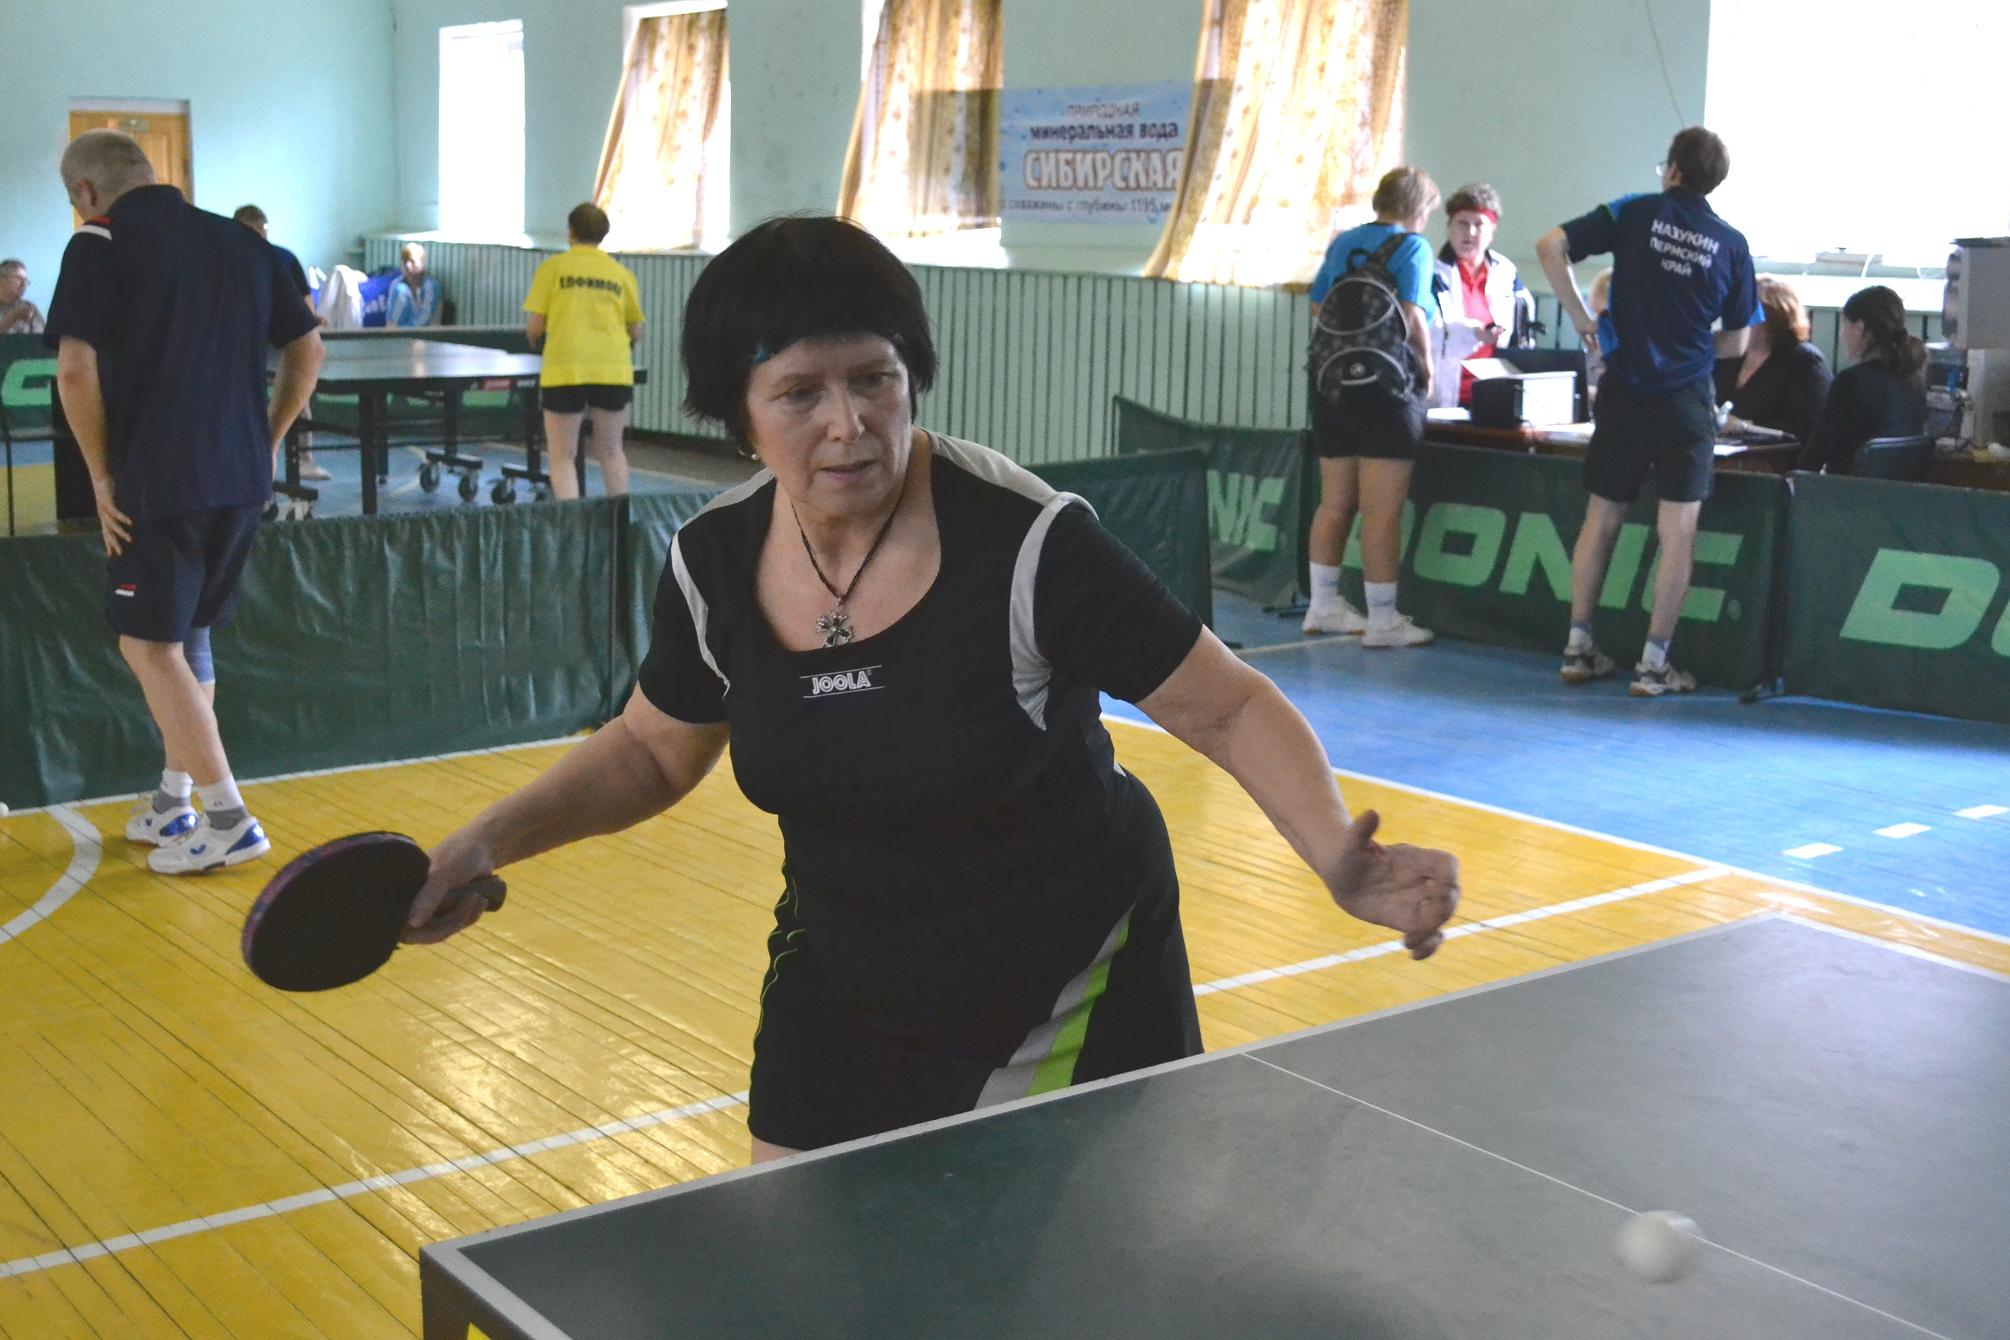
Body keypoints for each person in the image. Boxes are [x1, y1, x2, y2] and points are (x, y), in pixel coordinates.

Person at [402, 216, 1460, 1159]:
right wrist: (488, 841)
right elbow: (650, 749)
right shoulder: (713, 561)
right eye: (801, 393)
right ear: (739, 415)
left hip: (1060, 970)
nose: (849, 423)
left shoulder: (1024, 542)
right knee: (799, 1257)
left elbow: (1226, 705)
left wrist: (1334, 850)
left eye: (875, 379)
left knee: (1042, 1271)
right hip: (843, 967)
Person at [45, 129, 325, 873]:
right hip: (240, 479)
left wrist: (101, 478)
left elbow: (74, 370)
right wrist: (269, 439)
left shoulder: (98, 242)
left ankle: (230, 821)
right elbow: (309, 349)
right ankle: (175, 801)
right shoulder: (241, 241)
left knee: (148, 646)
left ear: (86, 193)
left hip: (159, 480)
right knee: (188, 636)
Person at [1535, 126, 1757, 697]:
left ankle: (1578, 647)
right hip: (1687, 401)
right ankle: (1655, 665)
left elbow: (1549, 245)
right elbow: (1737, 342)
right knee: (1678, 533)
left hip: (1625, 393)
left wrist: (1580, 316)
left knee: (1602, 518)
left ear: (1673, 170)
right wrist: (1690, 347)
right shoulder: (1732, 245)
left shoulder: (1634, 212)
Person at [1299, 167, 1440, 648]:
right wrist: (1427, 367)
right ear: (1419, 209)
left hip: (1331, 384)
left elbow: (1319, 305)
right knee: (1381, 511)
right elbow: (1413, 315)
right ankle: (1383, 620)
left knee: (1335, 501)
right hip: (1385, 388)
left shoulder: (1345, 242)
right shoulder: (1414, 247)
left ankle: (1323, 605)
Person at [523, 203, 644, 499]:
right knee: (612, 450)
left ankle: (573, 521)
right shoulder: (621, 274)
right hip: (613, 369)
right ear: (603, 234)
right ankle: (620, 519)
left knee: (562, 455)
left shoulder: (552, 269)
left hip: (565, 368)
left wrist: (535, 339)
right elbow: (635, 330)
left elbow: (535, 325)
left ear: (570, 232)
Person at [234, 204, 332, 480]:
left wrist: (310, 319)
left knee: (298, 398)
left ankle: (304, 459)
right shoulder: (228, 258)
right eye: (251, 230)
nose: (258, 235)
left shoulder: (283, 258)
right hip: (244, 344)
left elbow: (303, 301)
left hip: (282, 345)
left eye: (261, 229)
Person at [1797, 285, 1927, 475]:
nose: (1842, 334)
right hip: (1896, 492)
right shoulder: (1916, 383)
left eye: (1845, 325)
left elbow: (1813, 459)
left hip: (1844, 490)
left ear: (1859, 327)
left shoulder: (1850, 382)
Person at [1429, 183, 1537, 409]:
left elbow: (1522, 333)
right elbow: (1428, 331)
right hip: (1446, 392)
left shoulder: (1506, 274)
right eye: (1462, 223)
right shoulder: (1432, 274)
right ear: (1449, 228)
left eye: (1479, 224)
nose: (1470, 232)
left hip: (1494, 392)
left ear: (1492, 232)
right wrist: (1474, 333)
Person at [1713, 276, 1830, 445]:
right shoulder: (1729, 356)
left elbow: (1809, 426)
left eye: (1746, 313)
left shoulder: (1804, 361)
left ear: (1773, 319)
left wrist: (1743, 427)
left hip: (1777, 454)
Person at [385, 242, 443, 327]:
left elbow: (425, 317)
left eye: (412, 262)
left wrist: (403, 331)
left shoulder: (431, 286)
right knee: (400, 289)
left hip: (426, 332)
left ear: (422, 263)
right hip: (399, 332)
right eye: (405, 261)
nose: (408, 266)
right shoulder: (396, 284)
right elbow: (391, 316)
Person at [0, 259, 45, 334]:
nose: (23, 284)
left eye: (26, 280)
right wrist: (14, 317)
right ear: (1, 280)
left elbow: (42, 336)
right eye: (18, 278)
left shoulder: (29, 307)